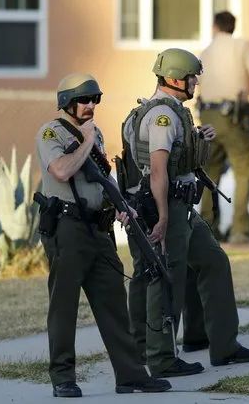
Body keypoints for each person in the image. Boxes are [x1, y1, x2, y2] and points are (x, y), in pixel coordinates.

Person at [121, 48, 249, 379]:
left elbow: (177, 160)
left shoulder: (174, 113)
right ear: (173, 79)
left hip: (182, 206)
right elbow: (157, 170)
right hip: (167, 205)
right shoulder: (163, 117)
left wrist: (200, 140)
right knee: (164, 278)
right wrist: (162, 217)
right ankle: (160, 358)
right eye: (191, 77)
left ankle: (224, 347)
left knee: (213, 261)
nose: (196, 82)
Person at [35, 72, 171, 398]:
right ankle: (63, 378)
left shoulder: (93, 135)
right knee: (64, 306)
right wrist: (85, 140)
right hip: (67, 229)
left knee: (114, 304)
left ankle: (130, 375)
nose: (91, 105)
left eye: (95, 99)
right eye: (84, 99)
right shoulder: (51, 131)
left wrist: (121, 206)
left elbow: (100, 181)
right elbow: (62, 170)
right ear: (67, 101)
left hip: (99, 228)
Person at [196, 10, 249, 244]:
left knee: (208, 173)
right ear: (233, 27)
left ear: (214, 27)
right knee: (243, 171)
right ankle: (239, 230)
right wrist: (244, 92)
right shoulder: (242, 45)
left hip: (207, 115)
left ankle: (206, 228)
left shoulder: (205, 51)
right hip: (234, 117)